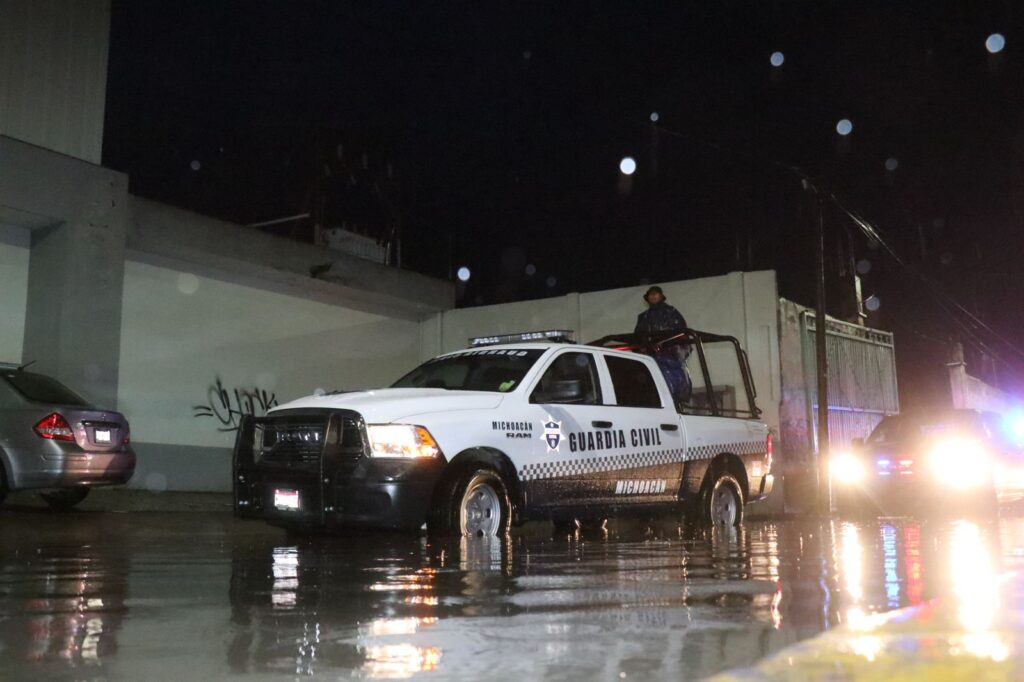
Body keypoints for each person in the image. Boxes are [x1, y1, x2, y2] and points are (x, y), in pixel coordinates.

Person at [634, 286, 692, 404]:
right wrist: (644, 348)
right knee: (655, 385)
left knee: (674, 384)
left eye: (655, 294)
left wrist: (669, 346)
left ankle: (676, 403)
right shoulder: (644, 317)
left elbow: (682, 334)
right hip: (651, 358)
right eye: (651, 294)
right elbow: (637, 337)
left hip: (671, 356)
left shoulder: (671, 312)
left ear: (661, 296)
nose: (653, 296)